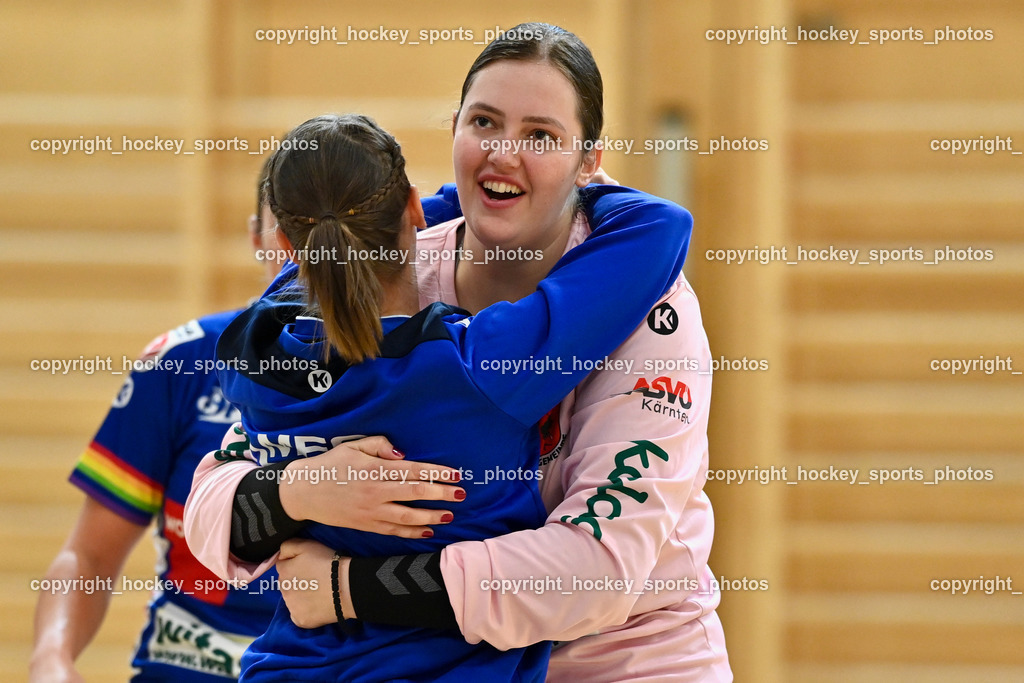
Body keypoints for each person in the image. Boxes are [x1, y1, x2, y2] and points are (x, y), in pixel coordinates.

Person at [187, 22, 731, 682]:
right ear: (453, 133)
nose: (504, 153)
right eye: (485, 123)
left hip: (626, 655)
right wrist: (301, 488)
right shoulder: (385, 267)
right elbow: (215, 496)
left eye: (541, 136)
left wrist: (350, 587)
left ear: (590, 162)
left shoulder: (653, 316)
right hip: (441, 661)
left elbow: (597, 572)